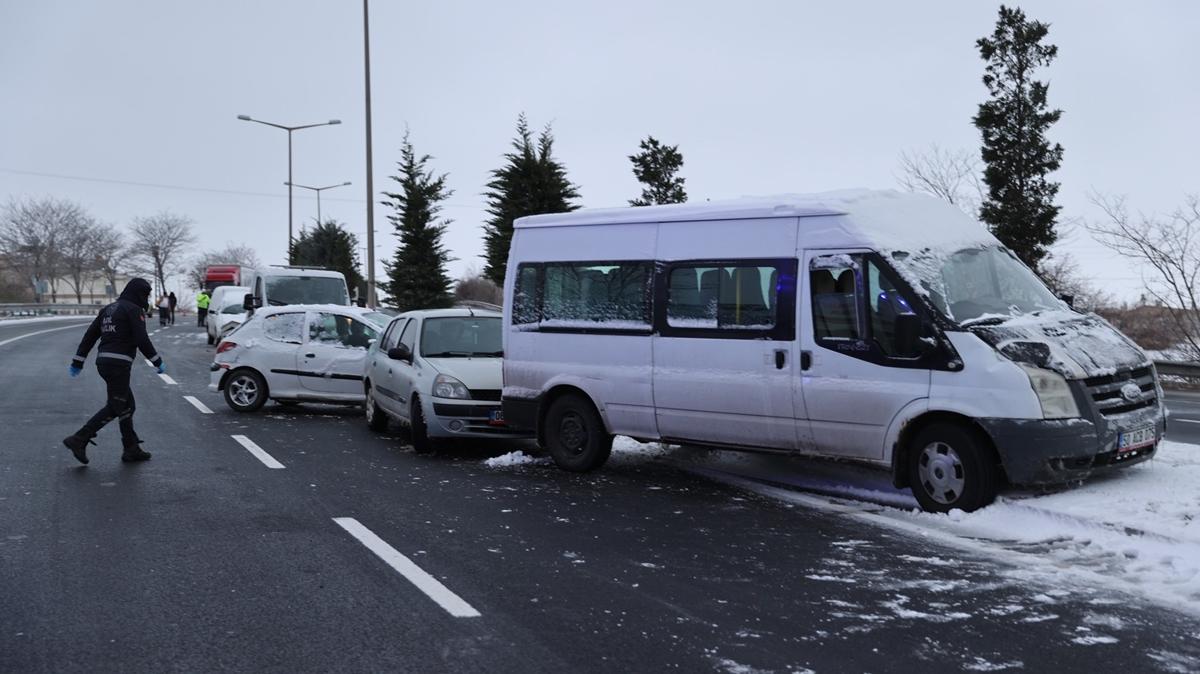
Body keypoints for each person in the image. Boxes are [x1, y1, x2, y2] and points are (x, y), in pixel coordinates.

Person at [62, 277, 164, 464]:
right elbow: (142, 339)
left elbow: (90, 335)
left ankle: (131, 448)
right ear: (138, 293)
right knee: (116, 406)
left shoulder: (108, 309)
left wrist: (78, 361)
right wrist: (157, 361)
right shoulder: (134, 310)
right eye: (146, 294)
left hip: (104, 362)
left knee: (127, 405)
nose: (147, 298)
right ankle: (79, 438)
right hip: (119, 364)